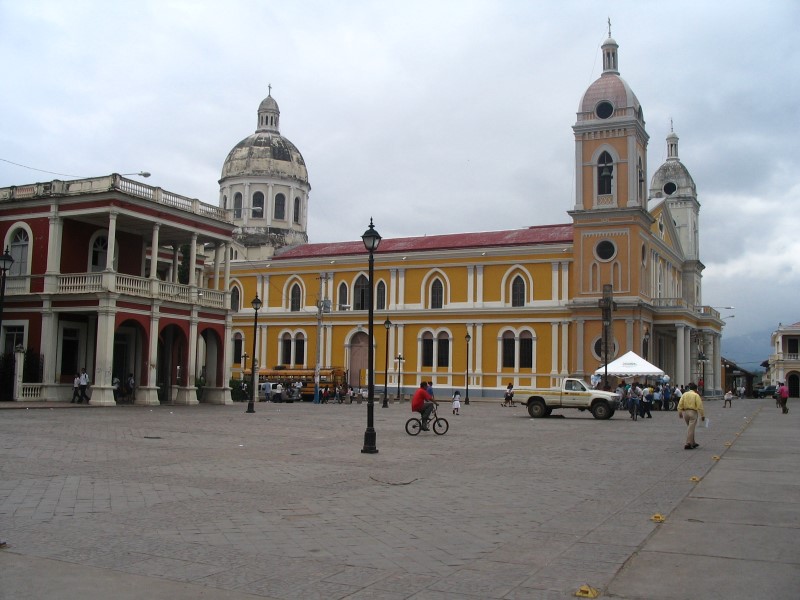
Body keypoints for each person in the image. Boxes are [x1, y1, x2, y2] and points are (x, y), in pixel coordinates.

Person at [677, 382, 705, 449]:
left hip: (686, 413)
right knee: (691, 428)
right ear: (695, 389)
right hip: (693, 412)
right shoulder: (696, 395)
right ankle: (688, 443)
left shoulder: (685, 394)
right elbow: (700, 406)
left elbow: (680, 404)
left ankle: (693, 442)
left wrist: (680, 412)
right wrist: (702, 415)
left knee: (690, 428)